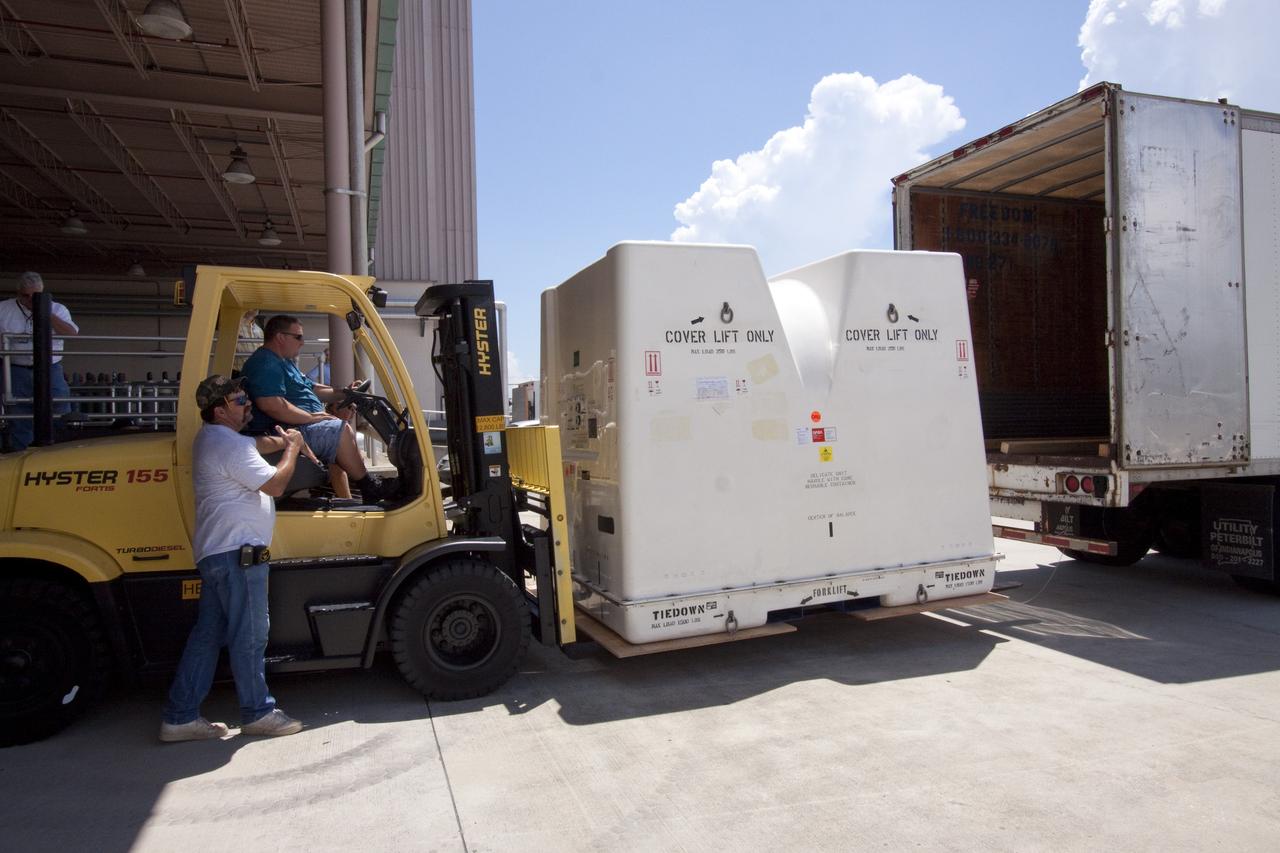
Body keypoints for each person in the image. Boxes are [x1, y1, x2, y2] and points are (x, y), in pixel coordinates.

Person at [159, 375, 308, 741]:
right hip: (239, 557)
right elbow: (275, 484)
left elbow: (254, 443)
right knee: (250, 635)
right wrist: (292, 449)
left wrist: (279, 439)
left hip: (217, 555)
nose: (248, 404)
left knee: (208, 636)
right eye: (240, 400)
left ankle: (179, 717)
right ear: (219, 410)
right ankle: (258, 712)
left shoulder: (212, 438)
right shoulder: (229, 445)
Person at [240, 315, 393, 501]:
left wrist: (344, 393)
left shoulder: (283, 362)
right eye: (298, 337)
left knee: (337, 427)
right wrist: (312, 417)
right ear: (280, 337)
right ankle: (369, 487)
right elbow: (272, 405)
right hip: (285, 430)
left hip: (301, 424)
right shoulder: (266, 363)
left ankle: (351, 497)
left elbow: (313, 388)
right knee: (340, 430)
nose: (302, 342)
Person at [0, 272, 78, 451]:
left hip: (50, 368)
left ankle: (61, 450)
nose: (29, 300)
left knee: (60, 406)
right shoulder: (3, 309)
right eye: (25, 296)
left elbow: (71, 333)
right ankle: (23, 455)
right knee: (18, 413)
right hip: (15, 368)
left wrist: (45, 311)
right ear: (18, 293)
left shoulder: (57, 309)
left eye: (34, 296)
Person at [232, 308, 263, 374]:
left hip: (254, 372)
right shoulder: (235, 325)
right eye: (253, 303)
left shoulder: (259, 330)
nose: (256, 308)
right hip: (236, 372)